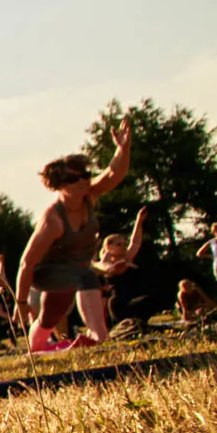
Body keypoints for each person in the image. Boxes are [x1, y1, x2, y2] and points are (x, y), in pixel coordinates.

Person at [14, 127, 133, 352]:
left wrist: (122, 149)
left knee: (52, 315)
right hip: (45, 272)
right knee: (86, 277)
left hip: (74, 271)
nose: (83, 181)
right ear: (60, 186)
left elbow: (112, 175)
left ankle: (36, 346)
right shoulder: (53, 220)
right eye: (74, 178)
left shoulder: (89, 196)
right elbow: (27, 263)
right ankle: (100, 338)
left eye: (85, 175)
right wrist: (21, 303)